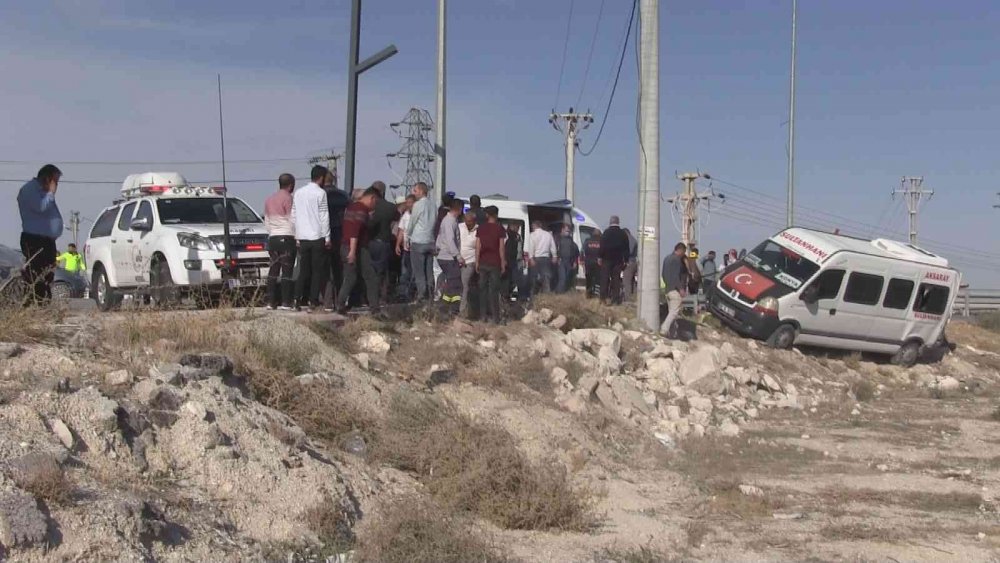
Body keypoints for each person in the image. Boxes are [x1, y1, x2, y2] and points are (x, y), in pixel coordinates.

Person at [18, 164, 64, 304]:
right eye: (55, 181)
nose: (56, 185)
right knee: (36, 274)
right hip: (34, 239)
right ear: (46, 179)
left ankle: (43, 303)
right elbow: (41, 207)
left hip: (47, 240)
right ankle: (32, 305)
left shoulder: (44, 193)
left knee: (47, 274)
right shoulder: (29, 190)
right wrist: (50, 193)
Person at [337, 186, 382, 314]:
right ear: (372, 198)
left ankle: (342, 304)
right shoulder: (361, 210)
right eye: (376, 202)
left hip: (346, 246)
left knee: (351, 276)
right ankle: (374, 307)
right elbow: (355, 231)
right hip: (356, 247)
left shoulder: (352, 207)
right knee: (368, 276)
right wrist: (352, 251)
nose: (375, 205)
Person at [292, 165, 331, 312]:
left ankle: (296, 299)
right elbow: (323, 216)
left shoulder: (298, 193)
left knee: (303, 271)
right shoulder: (321, 193)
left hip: (302, 237)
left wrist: (296, 235)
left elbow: (294, 214)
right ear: (321, 178)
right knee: (316, 272)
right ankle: (312, 301)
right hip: (317, 236)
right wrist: (327, 236)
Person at [263, 173, 296, 310]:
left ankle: (270, 302)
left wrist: (272, 232)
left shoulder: (269, 199)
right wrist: (296, 237)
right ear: (291, 185)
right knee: (287, 271)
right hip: (286, 237)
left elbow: (267, 221)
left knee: (273, 270)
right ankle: (286, 302)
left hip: (273, 238)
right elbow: (292, 220)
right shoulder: (289, 198)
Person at [321, 170, 350, 310]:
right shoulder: (343, 195)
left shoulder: (320, 195)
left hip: (323, 234)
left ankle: (327, 302)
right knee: (339, 268)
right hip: (340, 232)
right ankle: (340, 300)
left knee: (325, 270)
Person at [405, 182, 437, 302]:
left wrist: (407, 236)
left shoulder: (418, 204)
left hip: (419, 240)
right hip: (430, 240)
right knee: (429, 270)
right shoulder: (433, 204)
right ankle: (430, 294)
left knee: (418, 271)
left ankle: (421, 295)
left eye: (415, 191)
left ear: (421, 191)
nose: (414, 193)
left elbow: (413, 221)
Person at [367, 181, 397, 305]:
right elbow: (395, 222)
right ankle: (382, 297)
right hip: (384, 242)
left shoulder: (370, 206)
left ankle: (369, 297)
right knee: (383, 272)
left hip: (370, 241)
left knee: (369, 271)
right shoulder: (391, 207)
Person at [476, 206, 507, 323]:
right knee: (494, 290)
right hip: (495, 263)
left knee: (482, 289)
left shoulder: (481, 228)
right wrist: (503, 263)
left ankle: (483, 316)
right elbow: (501, 248)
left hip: (483, 262)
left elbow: (478, 246)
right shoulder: (500, 229)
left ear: (487, 215)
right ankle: (495, 317)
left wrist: (477, 262)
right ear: (496, 215)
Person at [436, 198, 464, 307]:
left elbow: (440, 237)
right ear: (459, 209)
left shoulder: (448, 220)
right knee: (455, 284)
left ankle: (447, 306)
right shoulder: (450, 221)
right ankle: (449, 308)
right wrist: (458, 256)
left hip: (446, 256)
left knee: (452, 283)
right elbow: (450, 240)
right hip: (448, 258)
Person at [660, 242, 688, 338]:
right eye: (684, 252)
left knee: (671, 312)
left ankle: (671, 334)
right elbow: (676, 276)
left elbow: (663, 274)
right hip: (674, 290)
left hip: (667, 289)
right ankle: (664, 329)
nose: (684, 254)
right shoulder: (676, 260)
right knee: (674, 312)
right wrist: (681, 289)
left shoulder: (667, 258)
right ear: (680, 250)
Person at [599, 216, 629, 305]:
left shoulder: (606, 232)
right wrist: (626, 260)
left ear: (610, 222)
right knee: (616, 279)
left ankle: (603, 298)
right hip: (618, 260)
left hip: (606, 259)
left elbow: (602, 246)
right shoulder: (623, 234)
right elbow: (626, 248)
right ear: (618, 222)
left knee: (604, 278)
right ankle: (615, 299)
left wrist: (599, 257)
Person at [525, 221, 557, 296]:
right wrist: (554, 256)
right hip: (546, 259)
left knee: (534, 280)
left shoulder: (532, 235)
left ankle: (533, 299)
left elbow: (531, 247)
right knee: (546, 279)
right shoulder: (548, 234)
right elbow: (553, 246)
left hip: (536, 259)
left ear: (534, 226)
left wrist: (531, 258)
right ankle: (546, 299)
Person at [395, 194, 416, 301]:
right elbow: (401, 231)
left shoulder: (417, 215)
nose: (408, 205)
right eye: (407, 203)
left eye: (410, 203)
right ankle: (403, 294)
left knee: (414, 273)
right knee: (404, 272)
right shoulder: (405, 215)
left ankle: (412, 293)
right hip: (406, 248)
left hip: (415, 249)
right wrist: (398, 244)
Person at [458, 211, 478, 317]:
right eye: (466, 221)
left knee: (464, 285)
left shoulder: (478, 230)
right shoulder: (460, 227)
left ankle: (462, 310)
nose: (467, 223)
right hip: (457, 260)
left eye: (469, 221)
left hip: (470, 262)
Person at [501, 221, 522, 301]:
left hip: (513, 261)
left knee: (513, 280)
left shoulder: (516, 236)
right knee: (507, 280)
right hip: (509, 261)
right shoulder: (507, 236)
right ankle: (505, 297)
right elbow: (505, 249)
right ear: (512, 227)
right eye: (517, 227)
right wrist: (505, 260)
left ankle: (508, 297)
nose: (518, 229)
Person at [556, 224, 579, 293]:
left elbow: (576, 252)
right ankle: (559, 293)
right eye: (566, 230)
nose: (567, 232)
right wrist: (558, 258)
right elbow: (555, 250)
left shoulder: (571, 241)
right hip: (561, 261)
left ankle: (563, 292)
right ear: (562, 230)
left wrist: (575, 261)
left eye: (568, 231)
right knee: (562, 278)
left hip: (569, 262)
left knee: (567, 278)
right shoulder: (558, 240)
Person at [583, 229, 602, 298]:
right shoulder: (601, 242)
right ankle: (596, 294)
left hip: (588, 263)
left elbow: (582, 251)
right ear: (600, 234)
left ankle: (588, 294)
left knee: (589, 279)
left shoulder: (587, 241)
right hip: (598, 263)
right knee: (598, 280)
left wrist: (582, 262)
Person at [622, 228, 639, 300]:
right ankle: (634, 296)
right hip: (633, 262)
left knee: (627, 280)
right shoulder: (633, 239)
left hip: (630, 262)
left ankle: (627, 297)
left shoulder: (629, 240)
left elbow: (629, 251)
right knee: (632, 281)